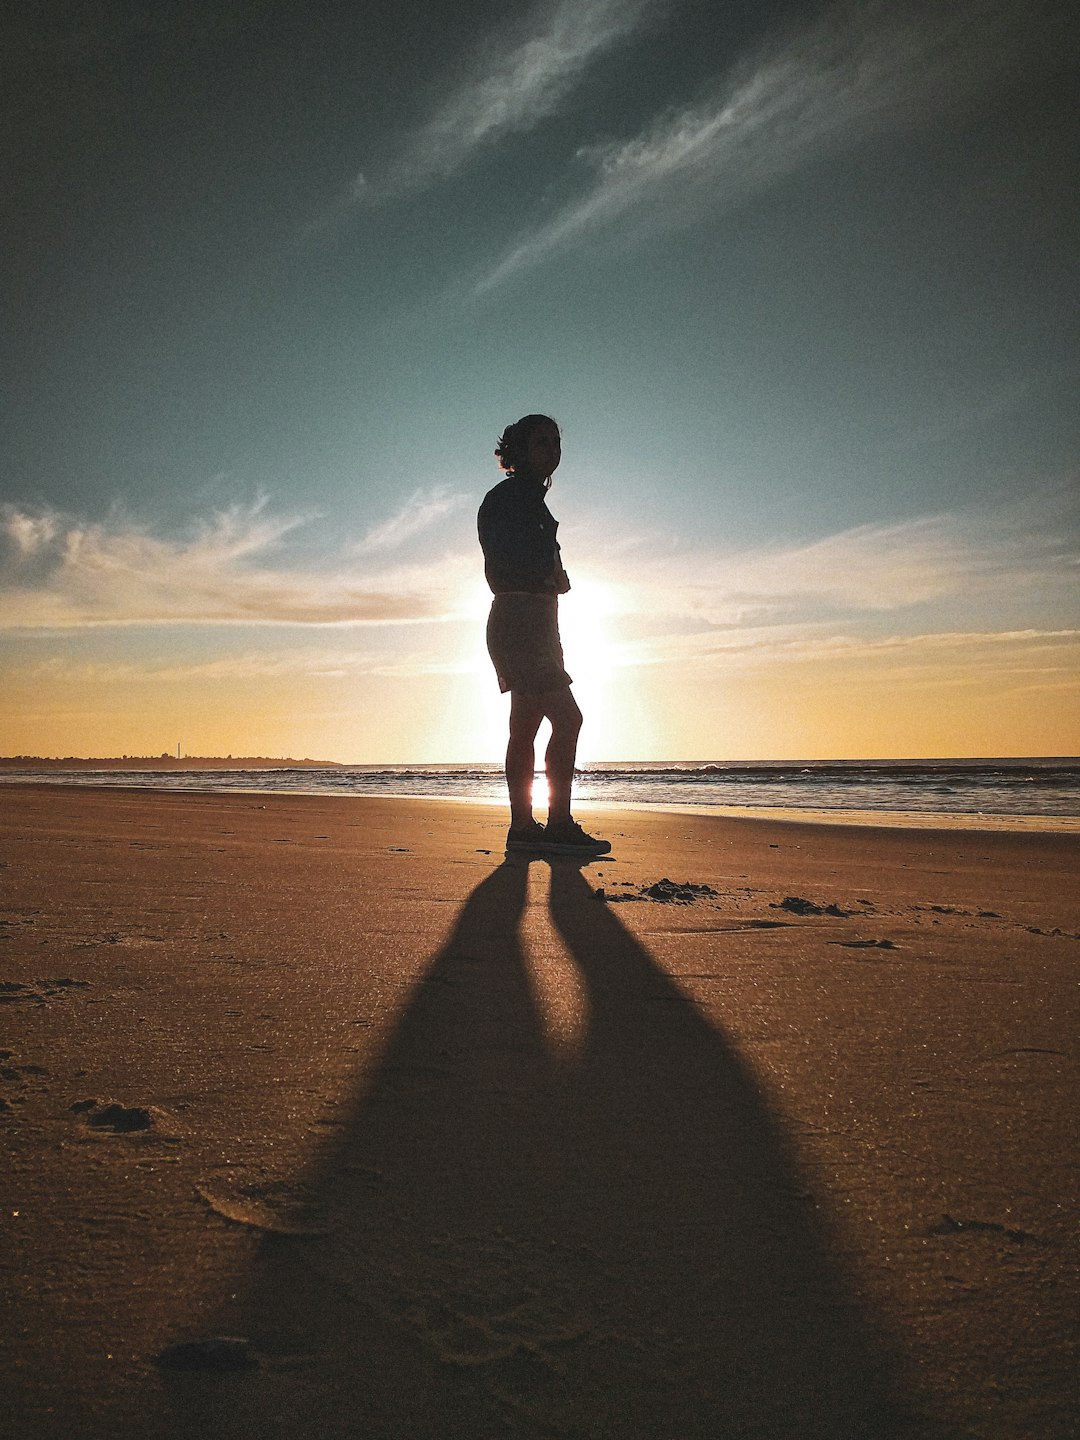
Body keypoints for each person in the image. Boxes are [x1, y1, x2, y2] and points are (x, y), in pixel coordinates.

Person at [478, 414, 610, 856]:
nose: (552, 449)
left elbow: (537, 561)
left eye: (556, 441)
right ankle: (555, 823)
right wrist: (548, 575)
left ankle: (523, 829)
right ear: (518, 450)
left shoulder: (533, 501)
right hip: (520, 621)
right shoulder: (508, 498)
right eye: (541, 442)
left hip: (537, 624)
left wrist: (555, 574)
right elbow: (503, 560)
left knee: (526, 725)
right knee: (567, 719)